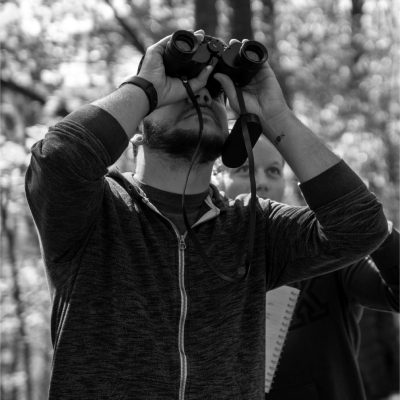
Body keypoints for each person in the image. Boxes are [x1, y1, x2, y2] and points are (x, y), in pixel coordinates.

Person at [25, 30, 389, 399]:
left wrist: (275, 114)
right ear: (137, 130)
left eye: (215, 93)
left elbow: (360, 227)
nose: (200, 95)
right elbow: (57, 158)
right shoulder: (94, 210)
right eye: (182, 86)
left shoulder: (254, 227)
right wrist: (146, 87)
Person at [213, 136, 399, 400]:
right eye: (244, 169)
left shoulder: (323, 247)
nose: (261, 182)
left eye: (273, 171)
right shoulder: (193, 258)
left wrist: (374, 225)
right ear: (214, 178)